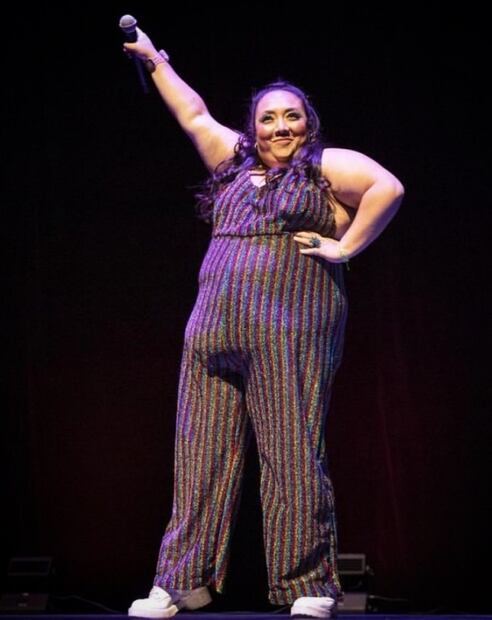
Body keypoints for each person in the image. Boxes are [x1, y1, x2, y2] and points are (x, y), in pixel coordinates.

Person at [123, 23, 404, 620]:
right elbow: (193, 114)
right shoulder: (233, 163)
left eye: (292, 117)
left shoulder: (324, 165)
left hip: (290, 327)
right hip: (211, 330)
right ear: (253, 128)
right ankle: (180, 582)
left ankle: (309, 585)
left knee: (292, 453)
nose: (280, 127)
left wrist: (345, 247)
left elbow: (388, 187)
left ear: (309, 123)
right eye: (268, 118)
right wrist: (155, 61)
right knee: (197, 456)